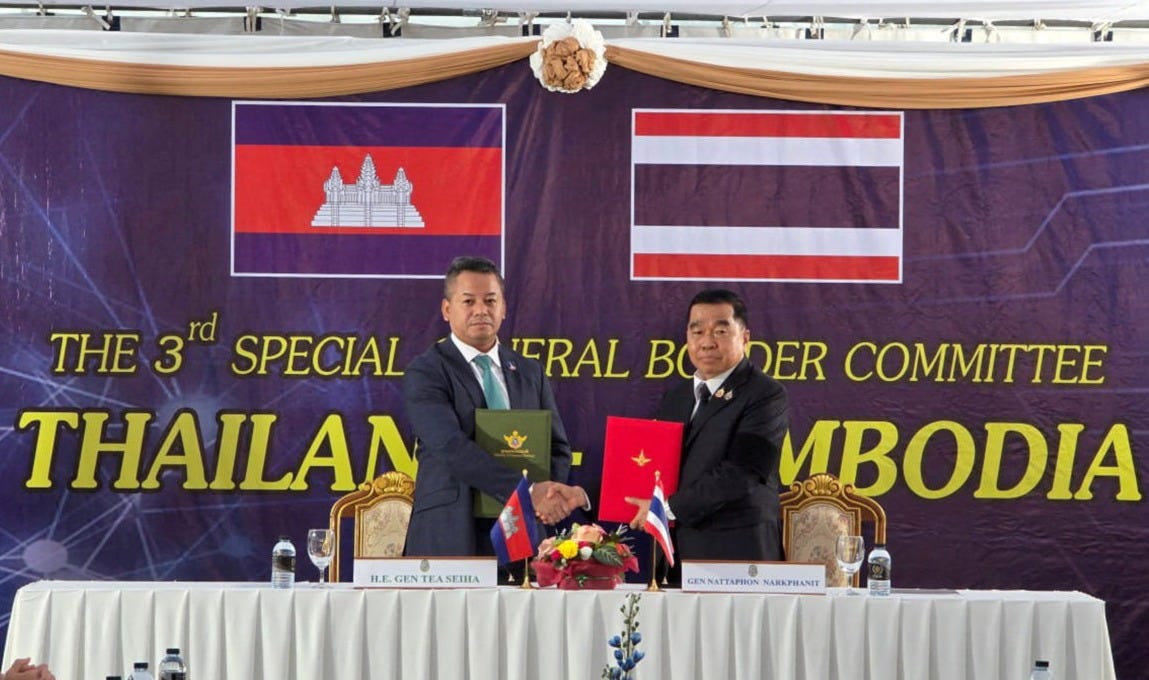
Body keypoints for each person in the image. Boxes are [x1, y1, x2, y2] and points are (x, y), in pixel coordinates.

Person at [403, 256, 588, 556]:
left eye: (490, 300)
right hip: (451, 533)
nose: (481, 310)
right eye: (468, 301)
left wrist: (547, 495)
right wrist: (528, 492)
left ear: (503, 308)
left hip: (523, 534)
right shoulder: (426, 371)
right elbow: (450, 445)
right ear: (447, 310)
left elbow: (557, 448)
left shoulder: (530, 372)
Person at [627, 289, 789, 561]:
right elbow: (652, 467)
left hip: (739, 552)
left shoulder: (766, 394)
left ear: (745, 338)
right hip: (677, 551)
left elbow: (741, 474)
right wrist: (581, 495)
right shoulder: (676, 397)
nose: (707, 342)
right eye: (697, 331)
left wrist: (666, 508)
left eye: (720, 331)